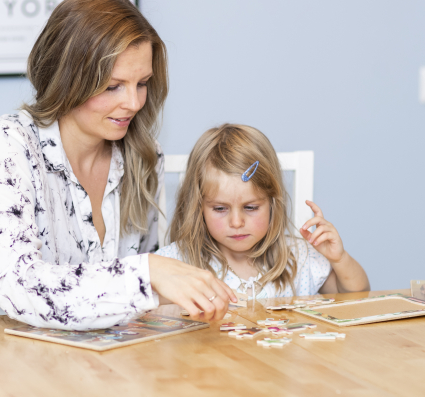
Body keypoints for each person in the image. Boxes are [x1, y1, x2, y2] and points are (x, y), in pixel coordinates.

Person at [0, 0, 237, 330]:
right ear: (68, 80)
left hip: (53, 349)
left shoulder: (142, 155)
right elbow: (18, 288)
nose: (133, 102)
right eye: (113, 86)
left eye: (142, 83)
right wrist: (147, 274)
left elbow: (124, 296)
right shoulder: (5, 147)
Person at [155, 124, 370, 298]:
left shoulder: (300, 259)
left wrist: (340, 259)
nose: (236, 222)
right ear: (198, 207)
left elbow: (356, 296)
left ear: (272, 204)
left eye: (250, 207)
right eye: (220, 208)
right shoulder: (175, 264)